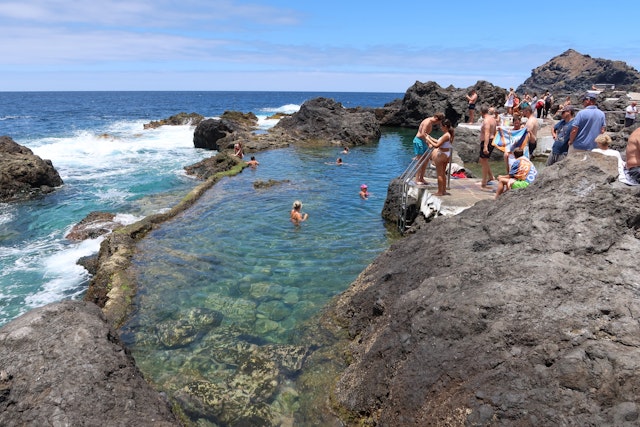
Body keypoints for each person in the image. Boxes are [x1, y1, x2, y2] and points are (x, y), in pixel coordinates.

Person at [413, 112, 445, 185]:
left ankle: (422, 178)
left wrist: (433, 141)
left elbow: (426, 135)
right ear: (436, 119)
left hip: (424, 141)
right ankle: (417, 179)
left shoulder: (430, 122)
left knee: (426, 160)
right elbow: (422, 134)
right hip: (419, 141)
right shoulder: (427, 122)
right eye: (439, 121)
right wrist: (429, 143)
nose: (438, 123)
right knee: (420, 161)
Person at [426, 118, 454, 196]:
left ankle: (440, 191)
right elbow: (439, 142)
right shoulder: (449, 134)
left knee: (440, 174)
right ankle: (444, 190)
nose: (440, 128)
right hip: (447, 154)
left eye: (441, 126)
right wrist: (430, 137)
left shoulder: (446, 135)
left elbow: (437, 145)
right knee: (443, 174)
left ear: (445, 126)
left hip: (442, 155)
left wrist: (428, 140)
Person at [479, 105, 497, 190]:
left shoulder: (486, 121)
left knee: (484, 160)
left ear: (481, 113)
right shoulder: (493, 119)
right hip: (492, 140)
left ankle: (484, 182)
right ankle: (490, 176)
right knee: (483, 160)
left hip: (487, 141)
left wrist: (485, 146)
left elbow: (487, 133)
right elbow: (495, 131)